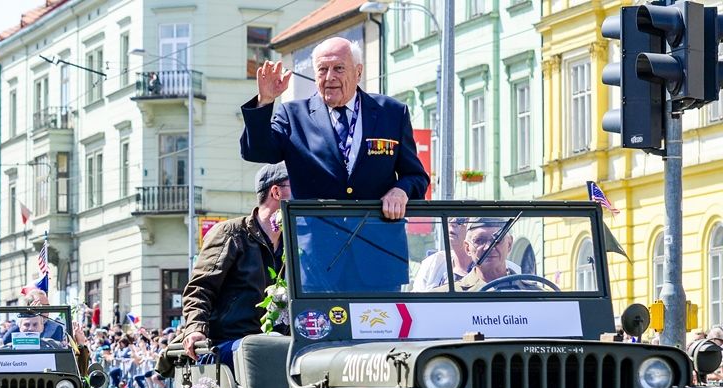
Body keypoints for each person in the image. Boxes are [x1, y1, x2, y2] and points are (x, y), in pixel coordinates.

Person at [240, 36, 429, 215]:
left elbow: (416, 177)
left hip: (377, 238)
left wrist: (401, 190)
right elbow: (257, 152)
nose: (329, 77)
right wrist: (264, 101)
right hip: (318, 240)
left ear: (358, 72)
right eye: (322, 69)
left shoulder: (391, 112)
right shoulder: (293, 116)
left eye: (339, 68)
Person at [178, 162, 290, 368]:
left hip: (280, 344)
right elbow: (200, 288)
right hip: (231, 343)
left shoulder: (295, 243)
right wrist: (195, 328)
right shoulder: (231, 234)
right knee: (261, 354)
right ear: (276, 192)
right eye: (296, 186)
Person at [414, 217, 521, 291]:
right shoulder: (445, 296)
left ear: (509, 244)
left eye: (497, 240)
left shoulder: (534, 293)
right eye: (480, 240)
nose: (489, 247)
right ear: (467, 247)